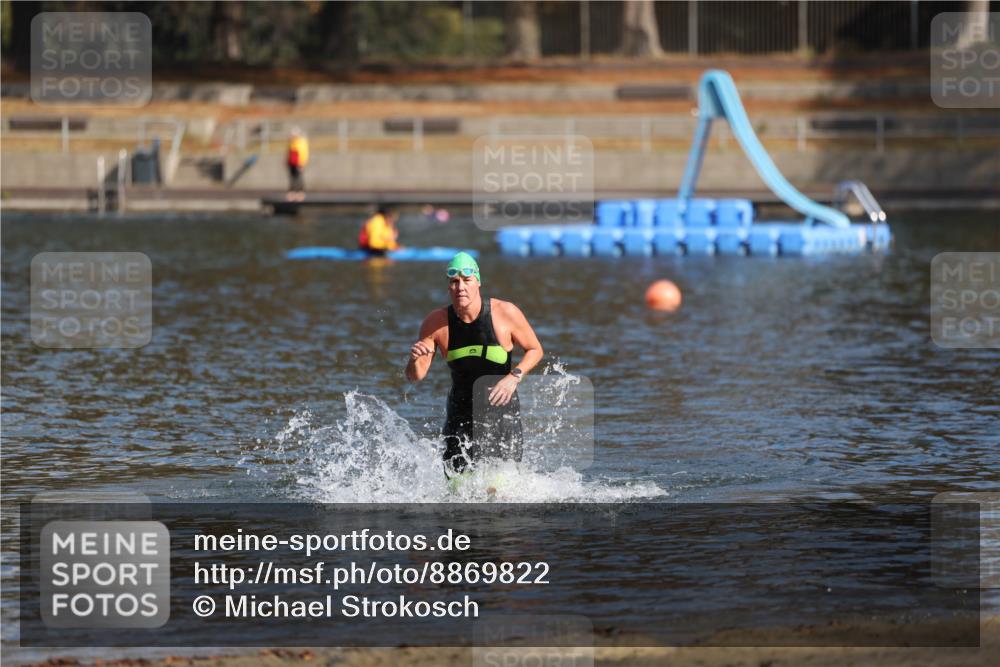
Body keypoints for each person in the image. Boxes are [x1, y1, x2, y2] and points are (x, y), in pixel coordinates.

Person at [405, 252, 543, 477]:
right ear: (449, 287)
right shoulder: (436, 323)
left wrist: (514, 376)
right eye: (454, 282)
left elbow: (535, 350)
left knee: (498, 492)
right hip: (459, 416)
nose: (461, 287)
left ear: (478, 282)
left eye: (467, 281)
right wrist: (413, 360)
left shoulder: (505, 313)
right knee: (458, 493)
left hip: (501, 417)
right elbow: (415, 376)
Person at [286, 127, 309, 200]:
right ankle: (292, 192)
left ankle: (300, 192)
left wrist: (302, 163)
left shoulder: (301, 142)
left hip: (299, 163)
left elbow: (304, 153)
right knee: (292, 178)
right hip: (292, 162)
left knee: (299, 178)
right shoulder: (291, 142)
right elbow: (288, 152)